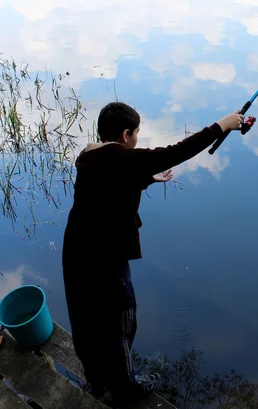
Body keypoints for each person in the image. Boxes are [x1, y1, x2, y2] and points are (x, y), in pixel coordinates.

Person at [62, 102, 243, 408]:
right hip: (106, 260)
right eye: (136, 134)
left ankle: (97, 377)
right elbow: (176, 151)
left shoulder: (89, 156)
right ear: (125, 134)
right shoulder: (124, 158)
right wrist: (222, 125)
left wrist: (145, 179)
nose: (136, 140)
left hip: (76, 253)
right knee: (121, 321)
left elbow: (108, 183)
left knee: (87, 318)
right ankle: (125, 389)